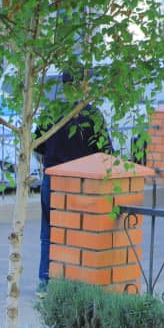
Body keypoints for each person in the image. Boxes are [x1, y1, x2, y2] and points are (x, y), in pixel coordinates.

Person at [34, 78, 113, 292]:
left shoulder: (50, 111)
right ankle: (77, 284)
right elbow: (106, 152)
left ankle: (45, 283)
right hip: (83, 183)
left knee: (49, 233)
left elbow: (37, 147)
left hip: (53, 179)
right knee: (81, 234)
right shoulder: (92, 114)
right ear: (83, 84)